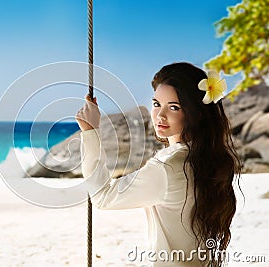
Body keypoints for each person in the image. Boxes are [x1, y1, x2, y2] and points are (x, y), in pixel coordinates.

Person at [76, 62, 241, 267]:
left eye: (174, 107)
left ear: (195, 113)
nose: (160, 115)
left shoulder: (167, 167)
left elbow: (102, 196)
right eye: (156, 104)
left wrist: (91, 132)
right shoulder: (208, 159)